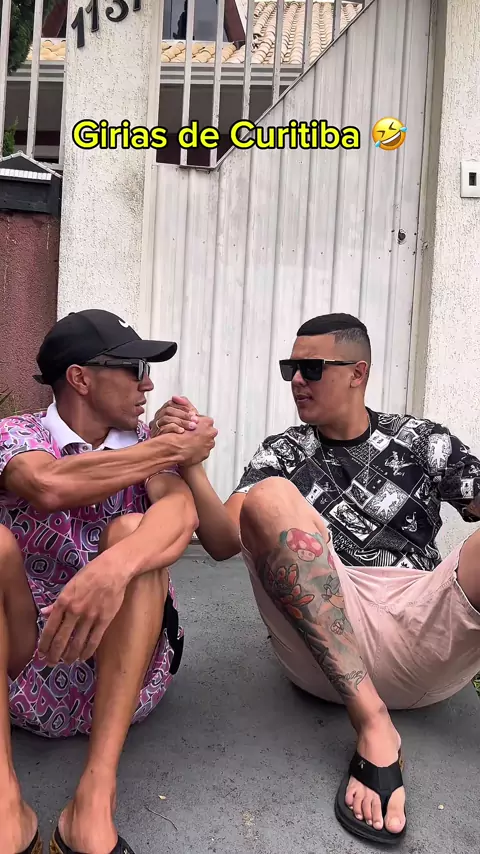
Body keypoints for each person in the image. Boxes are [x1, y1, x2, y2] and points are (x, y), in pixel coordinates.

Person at [151, 312, 480, 847]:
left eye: (312, 368)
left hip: (425, 628)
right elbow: (222, 542)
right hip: (325, 641)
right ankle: (373, 724)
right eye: (290, 369)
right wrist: (189, 464)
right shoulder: (282, 452)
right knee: (269, 497)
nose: (297, 381)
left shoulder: (423, 441)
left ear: (358, 373)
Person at [0, 309, 217, 854]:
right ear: (80, 378)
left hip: (123, 673)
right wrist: (171, 447)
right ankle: (4, 800)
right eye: (135, 368)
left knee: (134, 534)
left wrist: (111, 570)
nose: (149, 385)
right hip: (21, 668)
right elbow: (46, 484)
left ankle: (93, 801)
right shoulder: (17, 435)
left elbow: (181, 514)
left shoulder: (140, 443)